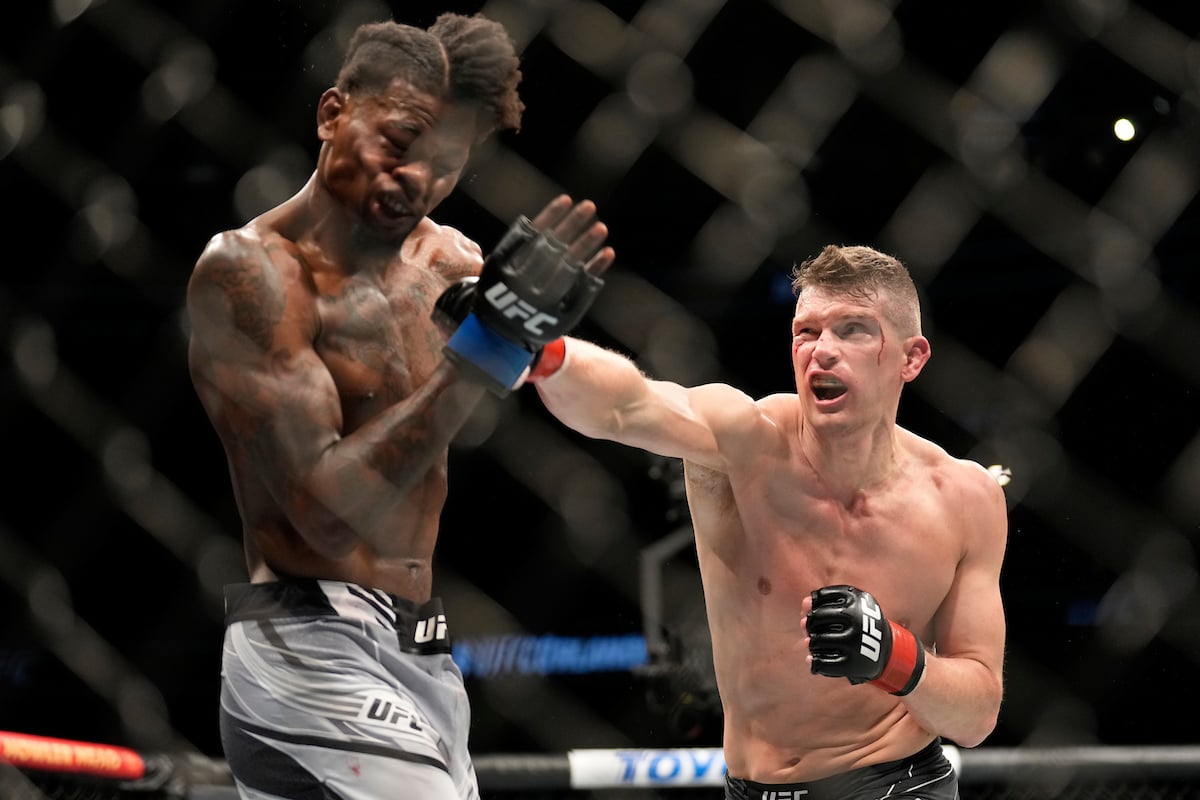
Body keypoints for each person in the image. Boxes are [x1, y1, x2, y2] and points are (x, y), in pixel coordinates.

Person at [185, 14, 614, 800]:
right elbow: (322, 514)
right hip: (306, 638)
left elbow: (562, 385)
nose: (417, 178)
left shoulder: (452, 263)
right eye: (399, 142)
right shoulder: (251, 275)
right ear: (332, 113)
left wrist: (545, 350)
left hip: (421, 641)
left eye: (445, 165)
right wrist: (482, 355)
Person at [533, 244, 1008, 799]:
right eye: (807, 332)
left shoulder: (964, 498)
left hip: (896, 782)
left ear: (912, 358)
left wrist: (893, 657)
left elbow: (976, 717)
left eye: (853, 330)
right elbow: (623, 407)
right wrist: (543, 350)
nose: (822, 351)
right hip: (752, 787)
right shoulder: (743, 443)